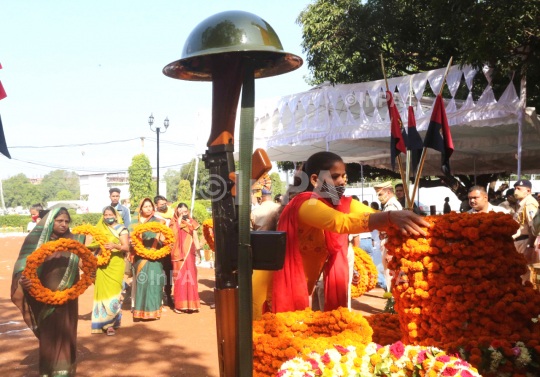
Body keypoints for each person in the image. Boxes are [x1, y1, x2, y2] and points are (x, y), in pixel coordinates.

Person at [267, 152, 428, 316]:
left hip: (304, 287)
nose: (342, 181)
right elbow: (341, 222)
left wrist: (397, 221)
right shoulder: (307, 203)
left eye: (344, 176)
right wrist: (390, 217)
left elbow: (371, 213)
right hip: (271, 290)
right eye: (335, 176)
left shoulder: (341, 203)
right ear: (315, 180)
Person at [11, 208, 88, 377]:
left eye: (66, 221)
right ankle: (48, 370)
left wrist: (91, 269)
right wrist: (24, 280)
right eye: (59, 221)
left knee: (67, 329)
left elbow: (82, 262)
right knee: (50, 331)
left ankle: (66, 369)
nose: (64, 224)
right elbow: (23, 268)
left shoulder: (74, 240)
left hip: (69, 293)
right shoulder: (35, 240)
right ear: (50, 221)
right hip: (44, 295)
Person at [90, 206, 129, 335]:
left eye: (110, 214)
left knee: (114, 293)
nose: (107, 217)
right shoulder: (99, 229)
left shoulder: (122, 229)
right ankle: (105, 324)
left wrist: (114, 246)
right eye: (105, 215)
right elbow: (94, 244)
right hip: (102, 265)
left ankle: (111, 323)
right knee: (102, 293)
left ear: (115, 215)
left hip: (116, 265)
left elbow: (126, 247)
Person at [128, 198, 167, 320]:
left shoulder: (160, 222)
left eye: (150, 206)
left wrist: (164, 241)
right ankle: (140, 311)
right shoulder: (136, 224)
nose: (148, 208)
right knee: (142, 283)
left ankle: (154, 311)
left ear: (153, 207)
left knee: (155, 283)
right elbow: (131, 240)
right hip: (141, 257)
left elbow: (164, 239)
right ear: (140, 209)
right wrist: (133, 244)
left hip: (155, 257)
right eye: (145, 207)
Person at [170, 203, 202, 314]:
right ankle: (180, 306)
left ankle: (192, 305)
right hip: (178, 254)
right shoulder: (173, 222)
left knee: (191, 277)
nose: (184, 213)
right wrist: (179, 219)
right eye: (181, 211)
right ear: (177, 211)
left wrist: (199, 252)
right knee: (180, 278)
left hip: (190, 252)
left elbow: (196, 237)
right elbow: (172, 234)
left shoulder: (191, 222)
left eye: (185, 211)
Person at [375, 181, 403, 292]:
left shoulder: (392, 205)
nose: (379, 197)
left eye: (380, 194)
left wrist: (391, 251)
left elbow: (394, 229)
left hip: (389, 241)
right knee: (389, 272)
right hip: (386, 241)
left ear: (389, 192)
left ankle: (392, 304)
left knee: (390, 273)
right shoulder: (389, 205)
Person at [512, 179, 539, 283]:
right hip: (520, 241)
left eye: (519, 189)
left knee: (526, 275)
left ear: (528, 191)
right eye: (515, 188)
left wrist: (530, 246)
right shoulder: (522, 204)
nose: (516, 191)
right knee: (521, 273)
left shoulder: (529, 204)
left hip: (526, 242)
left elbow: (534, 227)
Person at [153, 195, 175, 305]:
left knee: (169, 271)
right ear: (156, 206)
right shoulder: (154, 217)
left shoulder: (172, 215)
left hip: (170, 248)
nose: (164, 206)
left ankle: (168, 294)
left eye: (165, 203)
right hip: (157, 248)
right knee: (158, 272)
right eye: (162, 204)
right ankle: (158, 295)